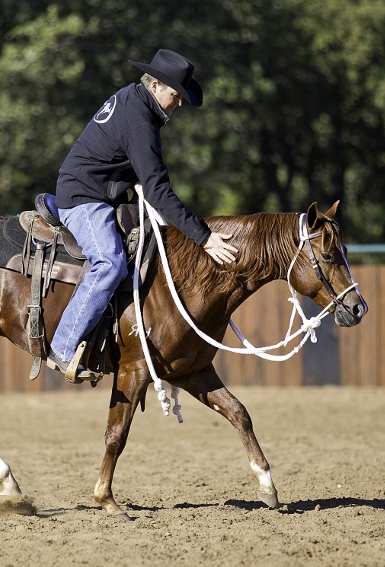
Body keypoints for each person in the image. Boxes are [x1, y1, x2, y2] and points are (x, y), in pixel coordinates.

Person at [47, 48, 238, 381]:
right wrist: (204, 237)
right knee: (110, 263)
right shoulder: (140, 122)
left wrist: (133, 179)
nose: (179, 103)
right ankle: (62, 348)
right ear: (155, 87)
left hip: (100, 192)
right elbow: (159, 191)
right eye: (176, 95)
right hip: (82, 198)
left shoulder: (133, 98)